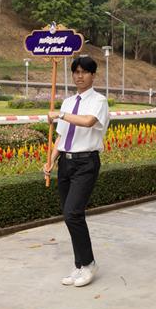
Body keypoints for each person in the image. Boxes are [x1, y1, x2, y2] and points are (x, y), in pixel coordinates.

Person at [46, 56, 110, 288]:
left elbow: (88, 121)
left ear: (93, 75)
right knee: (69, 215)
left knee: (73, 213)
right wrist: (51, 160)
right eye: (76, 72)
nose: (79, 76)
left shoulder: (98, 101)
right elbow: (62, 135)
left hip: (86, 163)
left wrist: (59, 115)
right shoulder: (67, 101)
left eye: (84, 72)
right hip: (66, 162)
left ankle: (90, 263)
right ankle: (79, 265)